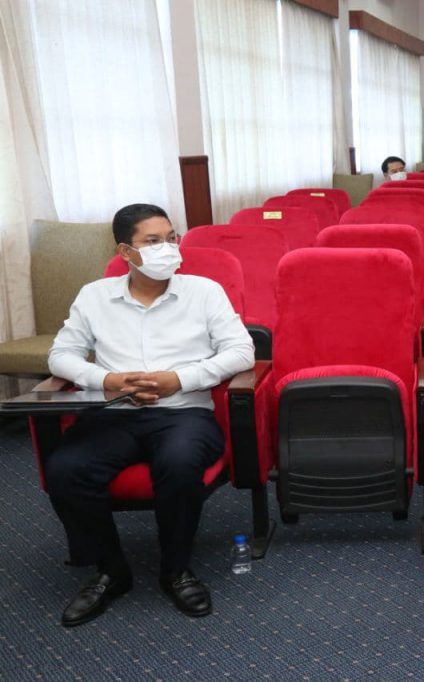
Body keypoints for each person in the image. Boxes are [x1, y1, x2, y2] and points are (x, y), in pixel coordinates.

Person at [45, 204, 256, 627]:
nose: (168, 248)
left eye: (172, 238)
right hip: (114, 415)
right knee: (66, 468)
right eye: (153, 241)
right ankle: (110, 571)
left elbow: (241, 352)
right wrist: (108, 380)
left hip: (184, 413)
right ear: (126, 251)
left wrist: (178, 379)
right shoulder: (95, 296)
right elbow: (61, 355)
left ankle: (176, 570)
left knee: (178, 463)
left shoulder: (204, 291)